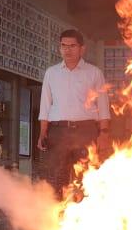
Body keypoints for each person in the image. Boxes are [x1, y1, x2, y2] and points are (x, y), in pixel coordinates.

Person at [38, 29, 110, 197]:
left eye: (72, 46)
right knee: (55, 177)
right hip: (58, 131)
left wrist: (104, 133)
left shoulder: (94, 73)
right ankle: (54, 218)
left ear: (82, 49)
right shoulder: (52, 73)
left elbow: (103, 107)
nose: (67, 50)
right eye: (64, 46)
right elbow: (45, 106)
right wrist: (42, 132)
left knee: (87, 176)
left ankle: (85, 216)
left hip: (86, 131)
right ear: (59, 48)